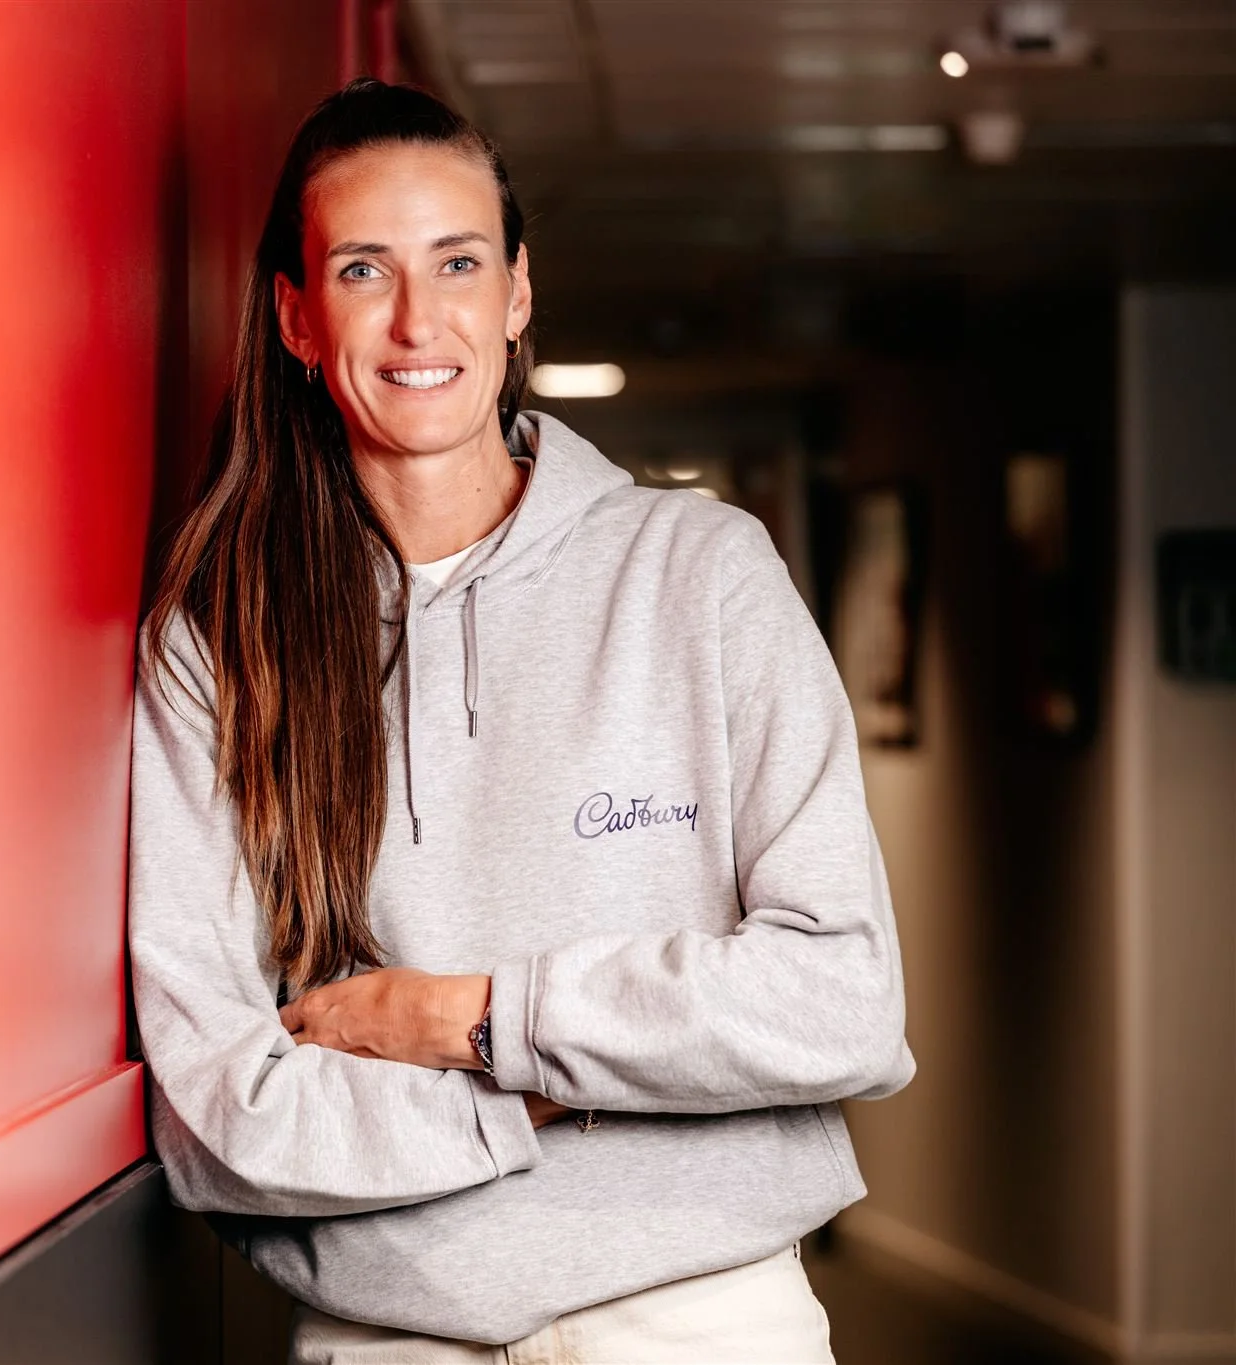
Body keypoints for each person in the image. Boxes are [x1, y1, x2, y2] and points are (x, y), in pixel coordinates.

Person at [127, 77, 915, 1363]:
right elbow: (222, 1108)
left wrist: (466, 1020)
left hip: (703, 1322)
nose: (417, 318)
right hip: (388, 1336)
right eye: (363, 270)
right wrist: (539, 1101)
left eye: (456, 261)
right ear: (294, 317)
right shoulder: (219, 645)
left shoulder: (700, 573)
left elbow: (838, 1000)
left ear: (517, 294)